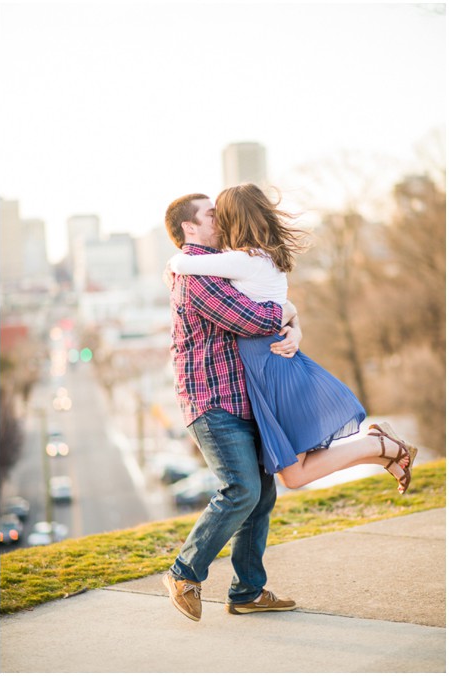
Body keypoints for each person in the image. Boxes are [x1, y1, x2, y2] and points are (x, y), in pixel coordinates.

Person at [168, 183, 417, 493]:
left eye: (220, 216)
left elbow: (183, 263)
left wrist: (173, 265)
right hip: (269, 368)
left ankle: (378, 445)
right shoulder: (256, 257)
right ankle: (381, 452)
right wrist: (294, 323)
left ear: (234, 219)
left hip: (274, 370)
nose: (217, 223)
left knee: (296, 475)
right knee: (303, 466)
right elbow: (278, 306)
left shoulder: (243, 260)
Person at [161, 192, 300, 623]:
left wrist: (294, 324)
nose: (221, 219)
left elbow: (267, 304)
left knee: (261, 497)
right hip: (212, 399)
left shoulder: (220, 265)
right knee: (241, 489)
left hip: (243, 398)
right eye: (211, 215)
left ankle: (247, 592)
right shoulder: (196, 277)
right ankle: (184, 572)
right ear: (189, 227)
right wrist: (287, 313)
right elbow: (254, 319)